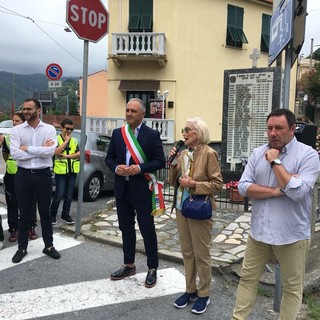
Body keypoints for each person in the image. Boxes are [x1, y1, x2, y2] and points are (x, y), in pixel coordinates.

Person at [232, 109, 320, 320]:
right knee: (247, 279)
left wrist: (275, 162)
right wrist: (279, 190)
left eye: (279, 128)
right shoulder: (256, 153)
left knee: (291, 288)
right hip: (258, 233)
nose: (273, 133)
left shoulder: (308, 155)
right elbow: (243, 187)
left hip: (291, 236)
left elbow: (298, 193)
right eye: (270, 128)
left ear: (291, 129)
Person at [105, 98, 166, 288]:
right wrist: (116, 168)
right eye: (127, 110)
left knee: (147, 229)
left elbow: (159, 161)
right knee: (126, 228)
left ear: (142, 114)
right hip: (122, 189)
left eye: (133, 111)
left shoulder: (152, 135)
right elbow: (109, 158)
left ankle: (152, 268)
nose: (129, 114)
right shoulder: (117, 134)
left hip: (143, 190)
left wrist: (140, 168)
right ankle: (129, 264)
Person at [168, 117, 223, 314]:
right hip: (182, 207)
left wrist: (195, 185)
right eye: (184, 129)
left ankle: (204, 294)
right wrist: (173, 163)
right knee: (187, 252)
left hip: (199, 207)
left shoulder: (210, 153)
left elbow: (218, 184)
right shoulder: (183, 153)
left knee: (202, 254)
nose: (183, 133)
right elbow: (172, 181)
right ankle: (190, 290)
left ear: (198, 134)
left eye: (187, 129)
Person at [10, 98, 60, 263]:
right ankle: (22, 248)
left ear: (38, 110)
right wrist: (40, 149)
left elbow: (50, 151)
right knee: (23, 213)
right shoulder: (17, 131)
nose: (26, 111)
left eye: (29, 109)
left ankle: (49, 246)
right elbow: (15, 154)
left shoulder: (49, 129)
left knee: (45, 212)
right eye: (24, 109)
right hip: (23, 175)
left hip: (43, 175)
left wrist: (28, 148)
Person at [2, 112, 38, 242]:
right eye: (13, 121)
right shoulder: (7, 138)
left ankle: (31, 226)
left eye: (17, 121)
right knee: (12, 202)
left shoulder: (31, 137)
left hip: (28, 173)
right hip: (12, 176)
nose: (14, 123)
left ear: (23, 122)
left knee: (30, 202)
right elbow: (5, 156)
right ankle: (13, 229)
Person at [50, 118, 80, 225]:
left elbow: (79, 154)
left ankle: (65, 214)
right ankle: (52, 214)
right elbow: (56, 152)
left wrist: (67, 156)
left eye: (71, 129)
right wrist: (66, 141)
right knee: (59, 194)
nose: (69, 131)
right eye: (67, 128)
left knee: (69, 195)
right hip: (61, 171)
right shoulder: (56, 139)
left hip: (72, 171)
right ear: (62, 128)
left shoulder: (75, 141)